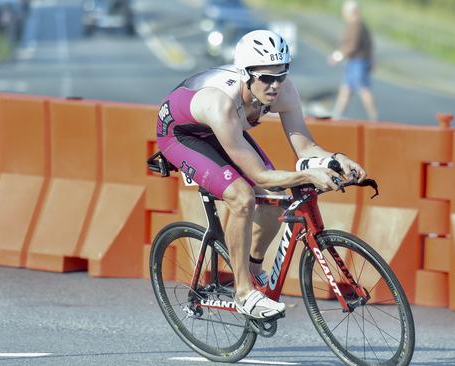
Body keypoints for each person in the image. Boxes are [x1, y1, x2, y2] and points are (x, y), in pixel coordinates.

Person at [155, 30, 367, 320]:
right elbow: (260, 175)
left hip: (227, 132)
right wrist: (308, 177)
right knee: (242, 197)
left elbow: (304, 145)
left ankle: (254, 274)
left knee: (275, 201)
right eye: (266, 78)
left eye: (281, 75)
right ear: (246, 74)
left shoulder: (284, 90)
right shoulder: (222, 103)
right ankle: (243, 293)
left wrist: (335, 159)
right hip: (182, 135)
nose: (275, 85)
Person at [329, 0, 378, 121]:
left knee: (363, 89)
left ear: (351, 12)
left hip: (358, 62)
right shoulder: (359, 24)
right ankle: (336, 116)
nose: (343, 14)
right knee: (346, 89)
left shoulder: (356, 25)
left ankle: (374, 118)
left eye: (345, 11)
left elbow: (352, 45)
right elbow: (370, 45)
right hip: (355, 62)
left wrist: (337, 57)